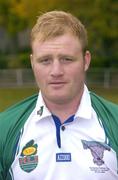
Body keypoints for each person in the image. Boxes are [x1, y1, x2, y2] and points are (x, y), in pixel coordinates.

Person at [0, 10, 118, 180]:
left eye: (66, 59)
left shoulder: (115, 122)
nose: (56, 71)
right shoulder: (4, 128)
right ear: (33, 63)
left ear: (86, 61)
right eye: (45, 60)